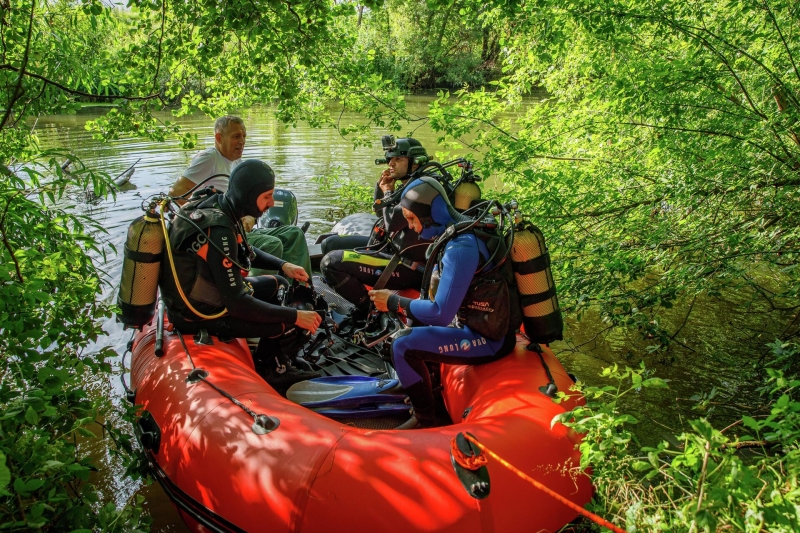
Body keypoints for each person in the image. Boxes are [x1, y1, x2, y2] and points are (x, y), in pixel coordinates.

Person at [159, 159, 322, 395]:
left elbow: (245, 252)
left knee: (281, 285)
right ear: (249, 195)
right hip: (198, 315)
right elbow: (237, 303)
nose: (272, 203)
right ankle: (272, 371)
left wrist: (283, 264)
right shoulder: (220, 228)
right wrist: (296, 316)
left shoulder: (220, 205)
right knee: (289, 321)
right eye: (267, 196)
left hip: (207, 297)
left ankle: (278, 358)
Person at [368, 178, 520, 429]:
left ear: (430, 216)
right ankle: (424, 384)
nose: (411, 227)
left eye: (412, 219)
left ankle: (424, 418)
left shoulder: (461, 247)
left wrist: (393, 301)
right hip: (478, 323)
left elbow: (439, 313)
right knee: (413, 321)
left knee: (402, 344)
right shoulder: (456, 232)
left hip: (490, 339)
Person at [320, 137, 450, 319]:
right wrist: (381, 186)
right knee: (329, 244)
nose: (391, 164)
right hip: (390, 248)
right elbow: (381, 215)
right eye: (390, 159)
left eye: (398, 159)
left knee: (330, 263)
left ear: (414, 162)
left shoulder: (422, 190)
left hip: (408, 267)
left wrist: (388, 191)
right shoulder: (410, 184)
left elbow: (392, 224)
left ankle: (368, 310)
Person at [168, 115, 312, 278]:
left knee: (294, 234)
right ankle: (256, 292)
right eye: (236, 136)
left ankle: (302, 290)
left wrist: (250, 217)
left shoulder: (238, 164)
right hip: (222, 235)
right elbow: (176, 193)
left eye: (244, 136)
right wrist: (211, 222)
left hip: (242, 231)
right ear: (219, 137)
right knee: (272, 244)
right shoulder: (210, 158)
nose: (242, 141)